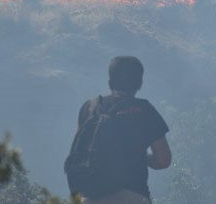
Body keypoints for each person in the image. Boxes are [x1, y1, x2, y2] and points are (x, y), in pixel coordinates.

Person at [73, 56, 171, 204]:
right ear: (139, 83)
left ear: (110, 81)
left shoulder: (89, 108)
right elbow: (163, 160)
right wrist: (141, 157)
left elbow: (78, 155)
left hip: (91, 197)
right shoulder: (144, 110)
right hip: (132, 196)